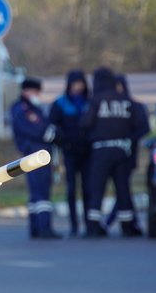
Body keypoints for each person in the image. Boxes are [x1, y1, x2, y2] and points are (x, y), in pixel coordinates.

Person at [81, 67, 146, 238]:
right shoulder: (126, 101)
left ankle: (93, 227)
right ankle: (128, 226)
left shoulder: (96, 101)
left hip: (101, 150)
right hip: (122, 150)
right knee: (123, 189)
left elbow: (86, 123)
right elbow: (140, 125)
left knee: (97, 189)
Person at [11, 77, 60, 239]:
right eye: (35, 92)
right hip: (35, 154)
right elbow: (37, 129)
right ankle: (44, 228)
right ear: (27, 91)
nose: (37, 95)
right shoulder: (24, 109)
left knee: (35, 193)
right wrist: (52, 134)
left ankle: (35, 228)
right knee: (41, 191)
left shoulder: (30, 107)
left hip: (34, 154)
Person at [104, 74, 150, 233]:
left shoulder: (134, 106)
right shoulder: (108, 106)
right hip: (112, 154)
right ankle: (126, 222)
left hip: (128, 155)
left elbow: (145, 128)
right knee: (122, 191)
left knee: (123, 190)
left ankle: (117, 222)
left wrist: (129, 138)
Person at [48, 70, 91, 237]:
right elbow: (52, 128)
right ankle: (74, 224)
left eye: (80, 83)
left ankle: (89, 223)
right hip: (70, 152)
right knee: (72, 188)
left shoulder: (90, 102)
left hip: (88, 153)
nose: (78, 87)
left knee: (88, 189)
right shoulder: (60, 104)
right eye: (75, 84)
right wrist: (63, 142)